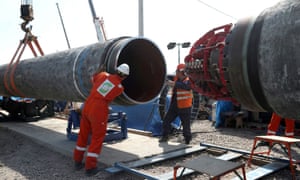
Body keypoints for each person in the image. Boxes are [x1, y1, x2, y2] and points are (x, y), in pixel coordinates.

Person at [73, 63, 130, 176]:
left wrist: (99, 72)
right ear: (125, 76)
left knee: (83, 134)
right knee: (97, 138)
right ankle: (90, 168)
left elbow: (93, 79)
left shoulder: (103, 75)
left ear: (116, 70)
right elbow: (112, 90)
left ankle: (77, 162)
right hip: (98, 109)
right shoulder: (119, 88)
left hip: (88, 105)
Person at [159, 63, 193, 144]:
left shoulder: (188, 81)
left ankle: (187, 140)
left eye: (177, 71)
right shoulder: (176, 79)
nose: (176, 73)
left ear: (182, 72)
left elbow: (186, 86)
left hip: (185, 107)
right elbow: (169, 79)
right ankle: (165, 136)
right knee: (166, 121)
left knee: (186, 126)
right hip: (174, 106)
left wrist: (172, 83)